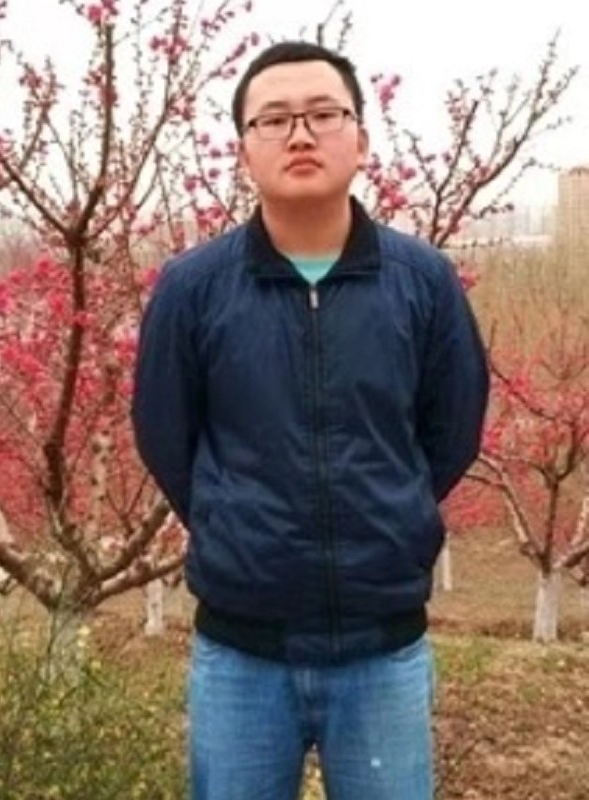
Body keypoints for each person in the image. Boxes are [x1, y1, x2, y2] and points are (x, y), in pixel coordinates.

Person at [132, 40, 489, 800]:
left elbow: (453, 429)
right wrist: (231, 518)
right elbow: (165, 435)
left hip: (384, 648)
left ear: (360, 139)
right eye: (274, 119)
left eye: (324, 114)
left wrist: (391, 509)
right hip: (241, 652)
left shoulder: (422, 281)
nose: (300, 134)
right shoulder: (193, 289)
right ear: (243, 151)